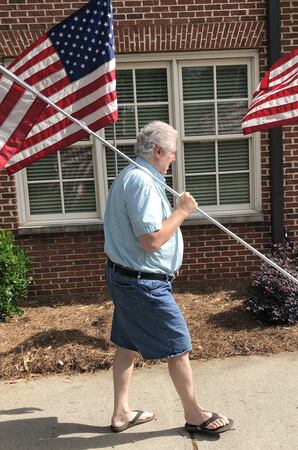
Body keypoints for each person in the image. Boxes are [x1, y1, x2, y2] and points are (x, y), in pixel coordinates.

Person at [103, 121, 233, 435]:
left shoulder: (134, 176)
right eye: (172, 152)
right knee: (178, 345)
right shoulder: (143, 182)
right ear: (159, 151)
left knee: (126, 344)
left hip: (130, 278)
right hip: (142, 284)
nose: (174, 158)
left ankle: (121, 412)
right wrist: (183, 210)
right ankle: (195, 414)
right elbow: (151, 239)